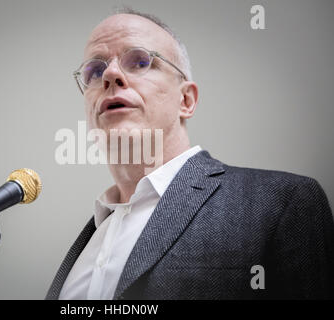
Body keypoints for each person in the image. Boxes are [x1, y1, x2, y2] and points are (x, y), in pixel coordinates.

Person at [46, 9, 334, 300]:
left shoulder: (283, 202)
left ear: (186, 100)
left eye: (140, 61)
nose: (109, 74)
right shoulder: (89, 239)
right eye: (94, 72)